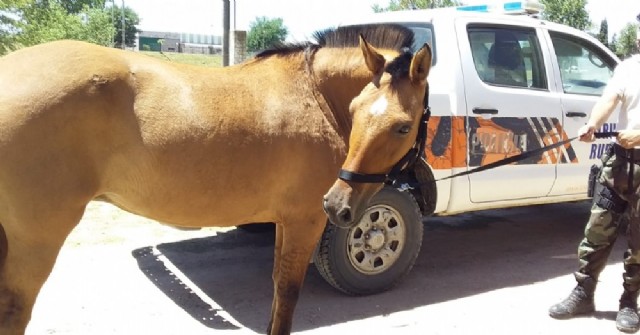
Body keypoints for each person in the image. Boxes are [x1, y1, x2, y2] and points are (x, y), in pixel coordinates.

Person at [548, 39, 640, 333]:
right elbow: (609, 99)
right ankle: (584, 293)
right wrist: (593, 124)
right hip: (620, 163)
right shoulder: (628, 67)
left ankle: (629, 301)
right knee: (597, 229)